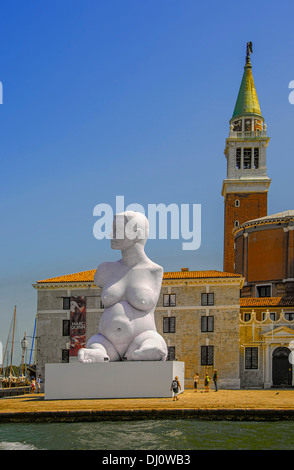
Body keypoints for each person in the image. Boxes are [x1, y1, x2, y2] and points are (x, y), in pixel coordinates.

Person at [78, 211, 168, 363]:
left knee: (154, 341)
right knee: (96, 344)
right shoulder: (105, 269)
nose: (110, 234)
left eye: (116, 229)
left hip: (142, 338)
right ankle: (99, 352)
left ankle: (144, 351)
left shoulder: (154, 271)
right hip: (106, 341)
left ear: (137, 234)